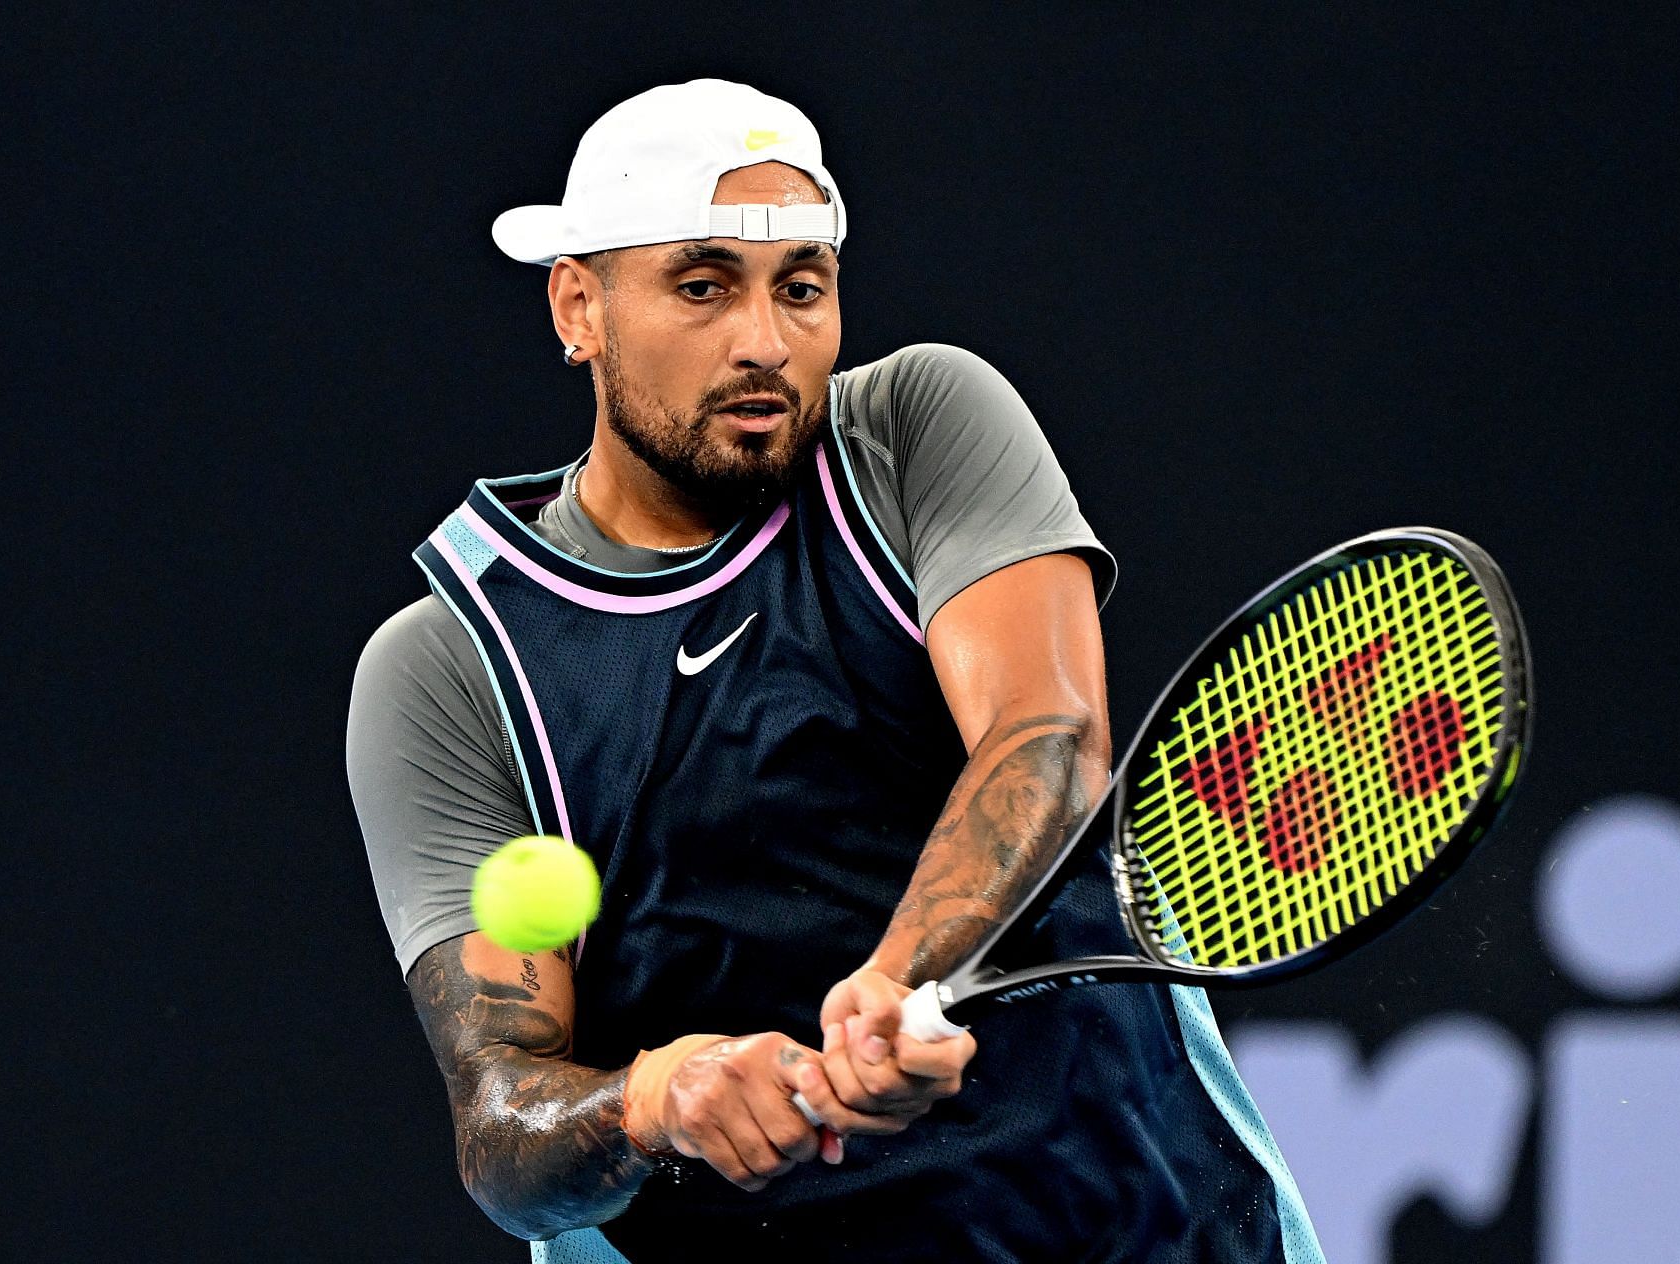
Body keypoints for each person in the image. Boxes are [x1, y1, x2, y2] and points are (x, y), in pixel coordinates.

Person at [348, 79, 1323, 1264]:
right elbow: (506, 1132)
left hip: (1143, 1228)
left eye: (801, 288)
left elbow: (1046, 738)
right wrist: (656, 1102)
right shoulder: (453, 668)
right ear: (579, 306)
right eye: (702, 286)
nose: (765, 342)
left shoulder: (918, 427)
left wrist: (897, 981)